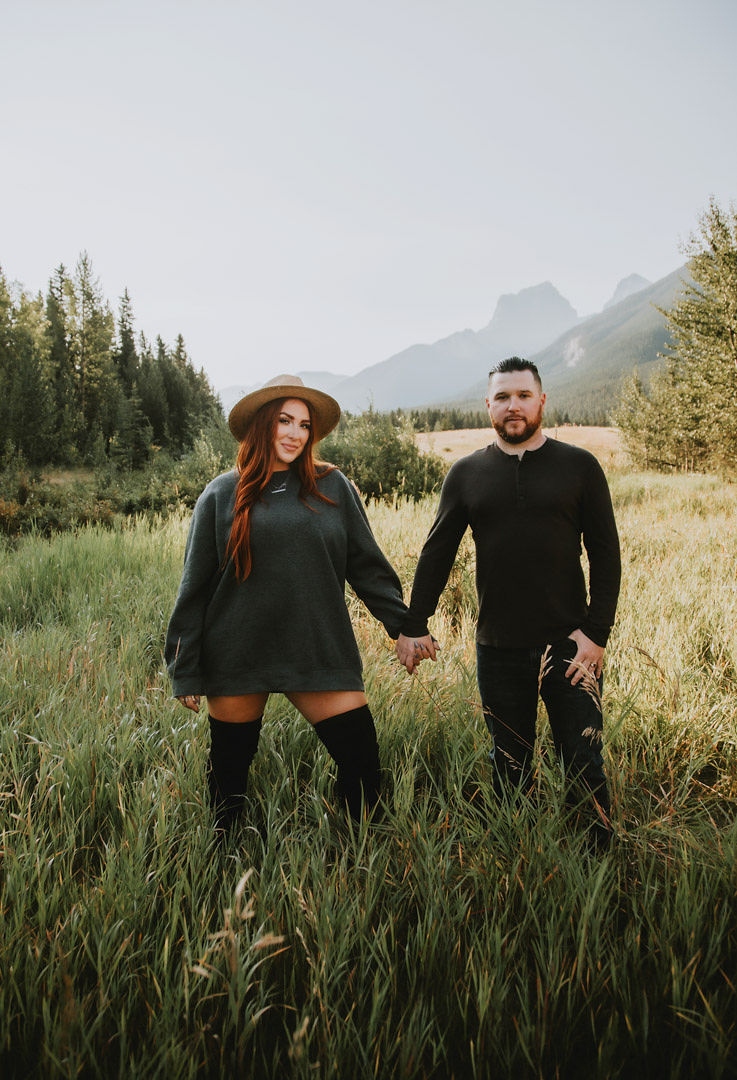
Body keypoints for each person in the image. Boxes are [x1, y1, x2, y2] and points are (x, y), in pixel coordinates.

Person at [165, 374, 408, 837]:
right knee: (228, 788)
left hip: (315, 648)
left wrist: (403, 625)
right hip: (237, 651)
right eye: (285, 421)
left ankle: (358, 860)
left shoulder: (333, 487)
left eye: (304, 425)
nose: (296, 433)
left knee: (363, 766)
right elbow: (194, 588)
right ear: (263, 425)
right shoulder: (221, 494)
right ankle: (223, 872)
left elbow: (368, 567)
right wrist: (184, 666)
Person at [396, 357, 621, 847]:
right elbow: (437, 554)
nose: (513, 406)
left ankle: (600, 864)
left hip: (571, 646)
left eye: (522, 395)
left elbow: (607, 556)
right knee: (510, 764)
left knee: (583, 761)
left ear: (541, 400)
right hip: (498, 648)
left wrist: (595, 634)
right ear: (488, 405)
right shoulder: (467, 474)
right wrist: (414, 623)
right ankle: (519, 858)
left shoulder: (580, 467)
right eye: (502, 397)